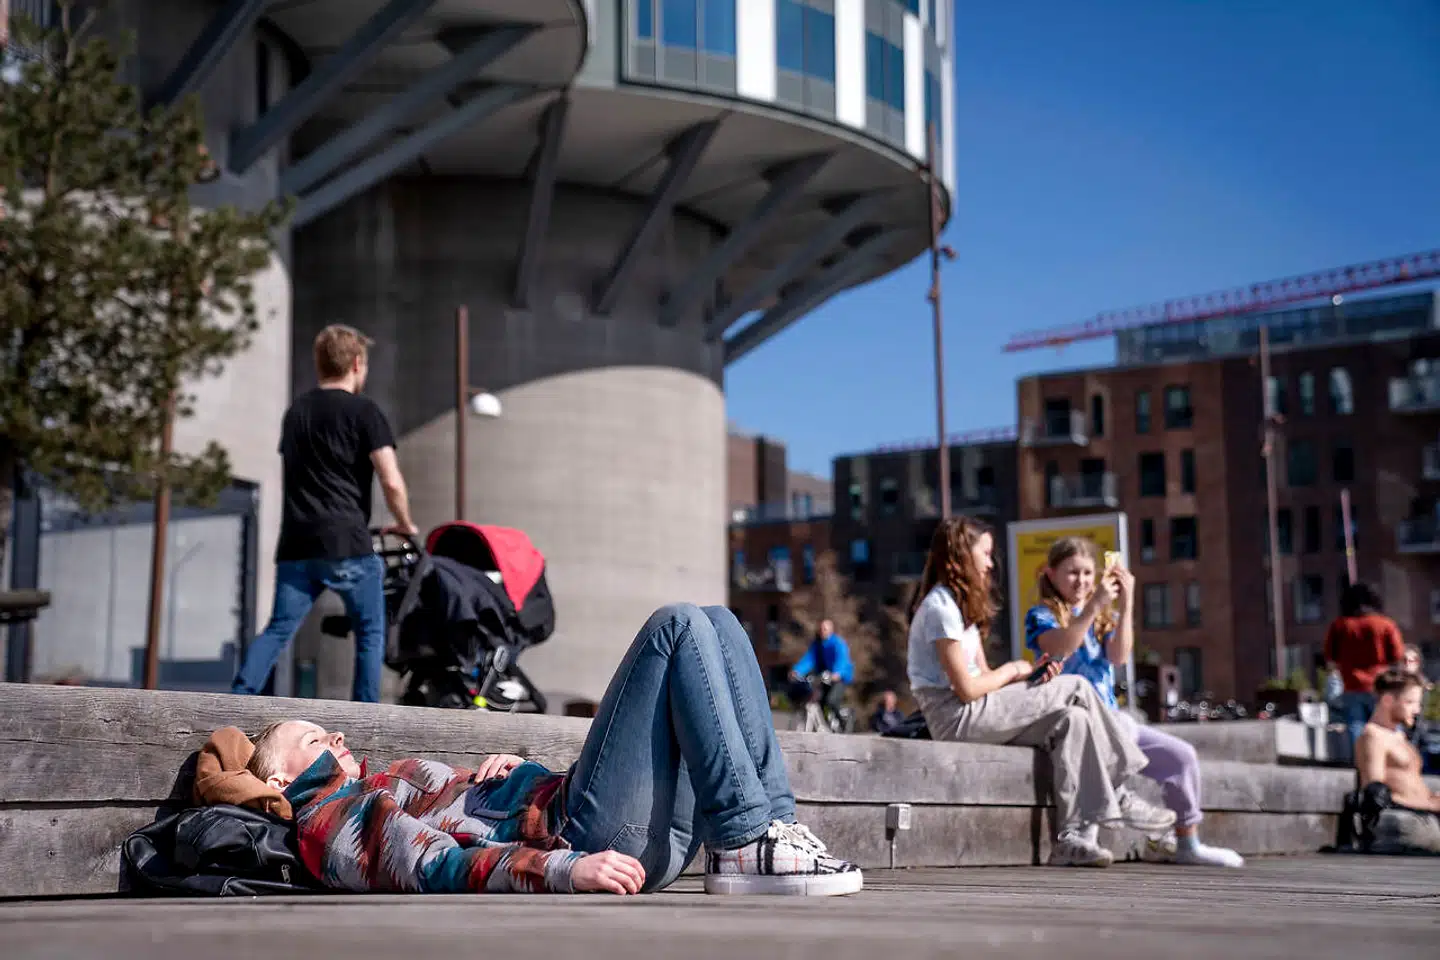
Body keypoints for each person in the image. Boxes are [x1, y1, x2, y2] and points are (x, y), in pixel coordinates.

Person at [244, 603, 863, 896]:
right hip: (588, 841)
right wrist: (562, 868)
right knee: (676, 628)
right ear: (280, 784)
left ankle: (770, 831)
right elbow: (430, 866)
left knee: (721, 623)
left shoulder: (377, 788)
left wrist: (506, 776)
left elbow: (456, 828)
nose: (336, 737)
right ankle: (747, 839)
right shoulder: (326, 821)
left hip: (615, 835)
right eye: (313, 738)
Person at [905, 517, 1174, 868]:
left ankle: (1071, 839)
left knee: (1073, 720)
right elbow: (968, 690)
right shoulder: (940, 608)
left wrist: (1029, 677)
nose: (990, 562)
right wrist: (1014, 669)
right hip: (955, 718)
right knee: (1076, 686)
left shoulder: (958, 607)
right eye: (984, 553)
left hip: (978, 711)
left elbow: (984, 676)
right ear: (958, 557)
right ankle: (1118, 787)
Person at [1026, 537, 1244, 868]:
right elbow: (1062, 647)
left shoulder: (1101, 616)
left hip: (1114, 720)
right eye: (1072, 573)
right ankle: (1094, 827)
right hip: (1076, 721)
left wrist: (1126, 604)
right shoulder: (1042, 614)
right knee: (1121, 729)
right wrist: (1093, 607)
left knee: (1180, 758)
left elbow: (1119, 655)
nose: (1081, 581)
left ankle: (1187, 842)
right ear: (1052, 574)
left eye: (1087, 573)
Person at [232, 324, 418, 703]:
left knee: (279, 630)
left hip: (297, 545)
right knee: (369, 632)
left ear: (320, 365)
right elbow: (391, 481)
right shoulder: (365, 412)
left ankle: (238, 697)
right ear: (355, 363)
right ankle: (366, 715)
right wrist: (405, 522)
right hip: (347, 541)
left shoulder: (296, 412)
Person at [1353, 669, 1440, 852]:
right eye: (1410, 702)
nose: (1417, 710)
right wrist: (1429, 804)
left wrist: (1433, 798)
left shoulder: (1399, 736)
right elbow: (1375, 793)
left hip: (1426, 812)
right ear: (1387, 700)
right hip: (1410, 818)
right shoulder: (1373, 736)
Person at [1324, 582, 1405, 754]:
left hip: (1352, 683)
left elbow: (1330, 656)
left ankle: (1363, 760)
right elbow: (1397, 655)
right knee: (1387, 724)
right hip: (1381, 684)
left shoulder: (1340, 625)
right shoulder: (1385, 624)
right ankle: (1393, 758)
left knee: (1356, 725)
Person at [789, 619, 854, 722]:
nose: (822, 631)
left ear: (831, 631)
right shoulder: (817, 645)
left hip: (839, 677)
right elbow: (809, 659)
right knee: (818, 701)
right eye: (821, 629)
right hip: (824, 677)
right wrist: (797, 671)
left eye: (825, 629)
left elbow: (842, 659)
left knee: (831, 701)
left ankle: (842, 721)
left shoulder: (838, 643)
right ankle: (825, 724)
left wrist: (837, 673)